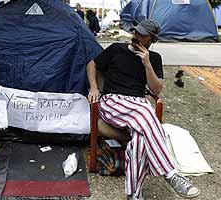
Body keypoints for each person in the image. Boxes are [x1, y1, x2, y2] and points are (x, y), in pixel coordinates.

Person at [86, 19, 200, 200]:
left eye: (142, 34)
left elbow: (156, 90)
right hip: (113, 101)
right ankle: (170, 173)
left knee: (139, 140)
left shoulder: (154, 59)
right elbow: (92, 65)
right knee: (146, 114)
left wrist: (147, 64)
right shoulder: (117, 49)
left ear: (152, 39)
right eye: (136, 32)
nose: (136, 36)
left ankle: (134, 194)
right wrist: (93, 87)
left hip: (138, 104)